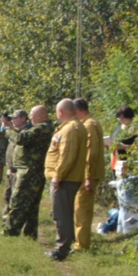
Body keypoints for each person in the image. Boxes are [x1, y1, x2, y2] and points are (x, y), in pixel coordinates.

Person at [44, 98, 88, 261]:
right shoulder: (76, 126)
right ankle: (65, 245)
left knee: (61, 214)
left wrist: (58, 176)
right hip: (70, 177)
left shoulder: (69, 129)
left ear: (60, 112)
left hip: (65, 179)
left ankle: (61, 249)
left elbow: (67, 156)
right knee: (65, 213)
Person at [3, 106, 54, 239]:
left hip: (30, 171)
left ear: (41, 116)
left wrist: (8, 130)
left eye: (32, 114)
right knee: (30, 205)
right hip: (30, 170)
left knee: (18, 201)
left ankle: (10, 232)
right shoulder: (40, 127)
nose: (30, 117)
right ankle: (30, 235)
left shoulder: (43, 127)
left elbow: (22, 139)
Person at [73, 98, 107, 251]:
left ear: (77, 110)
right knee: (80, 208)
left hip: (88, 175)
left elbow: (90, 153)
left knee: (82, 209)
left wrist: (87, 177)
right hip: (87, 174)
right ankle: (80, 241)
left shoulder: (89, 125)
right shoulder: (89, 123)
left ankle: (81, 244)